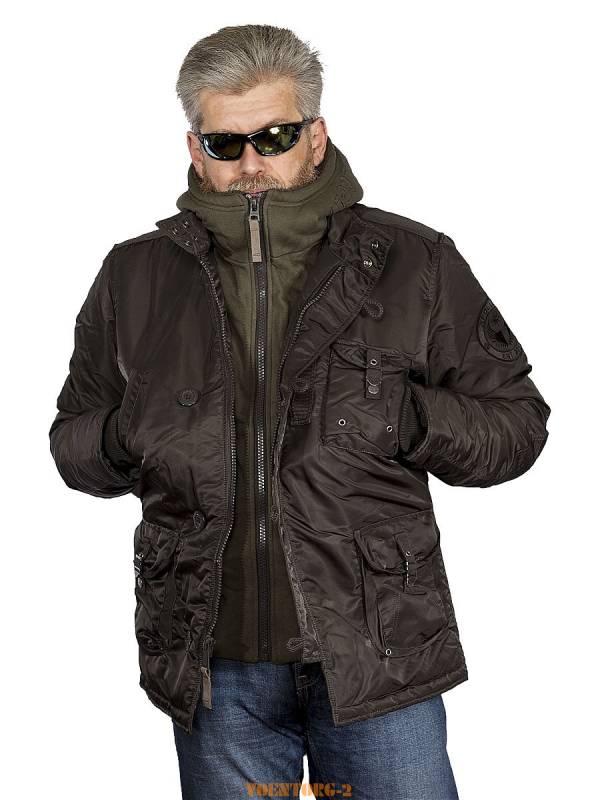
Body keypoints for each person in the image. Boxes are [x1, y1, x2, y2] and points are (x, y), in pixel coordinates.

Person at [48, 23, 551, 800]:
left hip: (378, 651)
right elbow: (73, 441)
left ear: (316, 137)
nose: (251, 164)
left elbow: (516, 424)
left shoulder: (412, 261)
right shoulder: (135, 275)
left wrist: (410, 418)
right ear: (195, 150)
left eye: (275, 137)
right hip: (216, 665)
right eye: (226, 144)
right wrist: (126, 433)